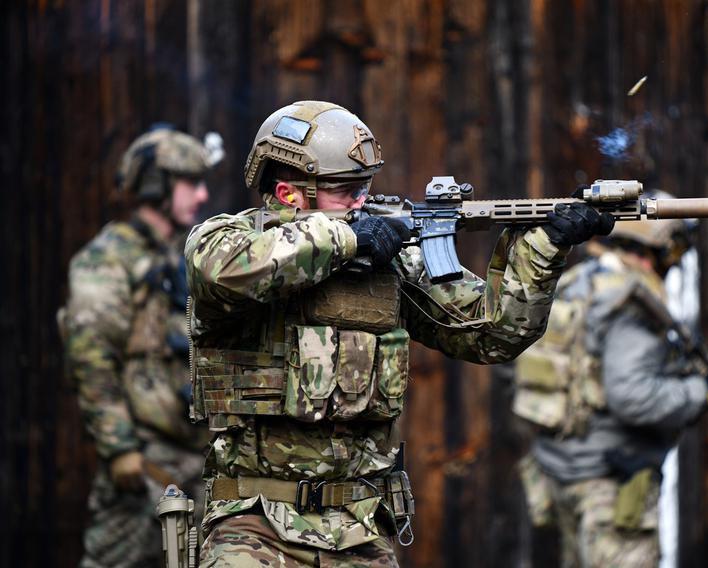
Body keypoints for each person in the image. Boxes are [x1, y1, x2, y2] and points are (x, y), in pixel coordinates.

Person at [184, 100, 615, 567]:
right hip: (253, 529)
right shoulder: (229, 240)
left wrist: (545, 250)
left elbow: (493, 334)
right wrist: (351, 238)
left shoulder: (387, 263)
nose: (361, 202)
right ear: (290, 195)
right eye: (346, 190)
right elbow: (221, 269)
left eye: (364, 187)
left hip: (360, 529)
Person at [512, 197, 708, 568]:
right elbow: (633, 397)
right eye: (672, 251)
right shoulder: (632, 300)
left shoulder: (579, 280)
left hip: (563, 473)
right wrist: (702, 392)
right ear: (657, 249)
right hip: (611, 484)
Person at [60, 126, 219, 567]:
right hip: (145, 468)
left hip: (202, 465)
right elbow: (91, 358)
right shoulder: (108, 258)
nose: (203, 195)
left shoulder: (186, 255)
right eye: (192, 182)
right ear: (157, 186)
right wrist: (120, 447)